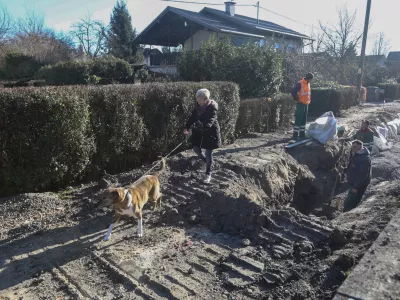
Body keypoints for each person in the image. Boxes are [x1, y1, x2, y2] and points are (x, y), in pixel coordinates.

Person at [184, 88, 221, 183]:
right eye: (197, 99)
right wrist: (187, 127)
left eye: (199, 100)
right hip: (200, 133)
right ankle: (206, 161)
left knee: (209, 153)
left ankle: (208, 173)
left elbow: (210, 121)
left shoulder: (212, 108)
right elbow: (192, 118)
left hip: (211, 134)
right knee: (196, 149)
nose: (198, 101)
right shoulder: (197, 107)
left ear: (206, 99)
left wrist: (203, 127)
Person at [343, 140, 372, 212]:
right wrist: (346, 170)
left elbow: (363, 174)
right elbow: (354, 167)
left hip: (359, 184)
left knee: (349, 202)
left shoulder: (364, 158)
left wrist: (356, 187)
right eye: (352, 147)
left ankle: (346, 215)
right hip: (355, 182)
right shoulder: (357, 154)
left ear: (360, 146)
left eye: (354, 147)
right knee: (352, 199)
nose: (352, 148)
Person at [290, 72, 314, 142]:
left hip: (306, 103)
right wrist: (297, 99)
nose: (311, 81)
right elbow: (293, 92)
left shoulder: (308, 84)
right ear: (308, 78)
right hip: (300, 103)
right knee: (298, 119)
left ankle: (302, 134)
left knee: (303, 119)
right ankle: (295, 135)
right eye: (311, 79)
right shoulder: (300, 83)